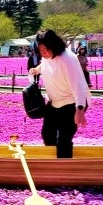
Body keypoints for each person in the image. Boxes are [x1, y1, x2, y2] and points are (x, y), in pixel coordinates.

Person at [28, 29, 90, 159]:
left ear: (54, 46)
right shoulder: (47, 55)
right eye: (40, 52)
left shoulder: (67, 59)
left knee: (64, 139)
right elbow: (46, 62)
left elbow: (78, 86)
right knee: (47, 134)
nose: (43, 54)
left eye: (45, 51)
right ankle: (53, 161)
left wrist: (79, 110)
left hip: (71, 104)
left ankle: (65, 168)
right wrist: (37, 69)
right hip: (54, 102)